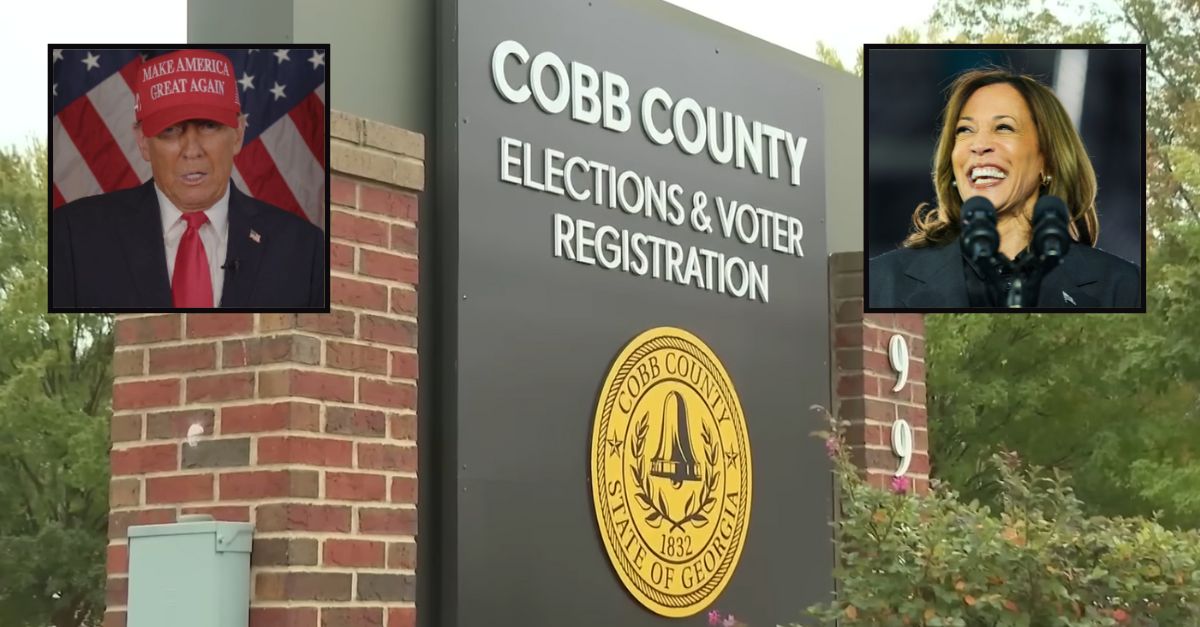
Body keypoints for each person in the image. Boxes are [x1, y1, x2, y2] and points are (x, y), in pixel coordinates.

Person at [51, 49, 326, 310]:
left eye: (209, 126)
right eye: (170, 130)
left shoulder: (305, 250)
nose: (192, 150)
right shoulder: (74, 236)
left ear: (239, 133)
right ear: (143, 142)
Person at [868, 68, 1140, 309]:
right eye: (964, 130)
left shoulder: (1121, 286)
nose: (979, 144)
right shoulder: (882, 282)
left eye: (1003, 127)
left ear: (1047, 159)